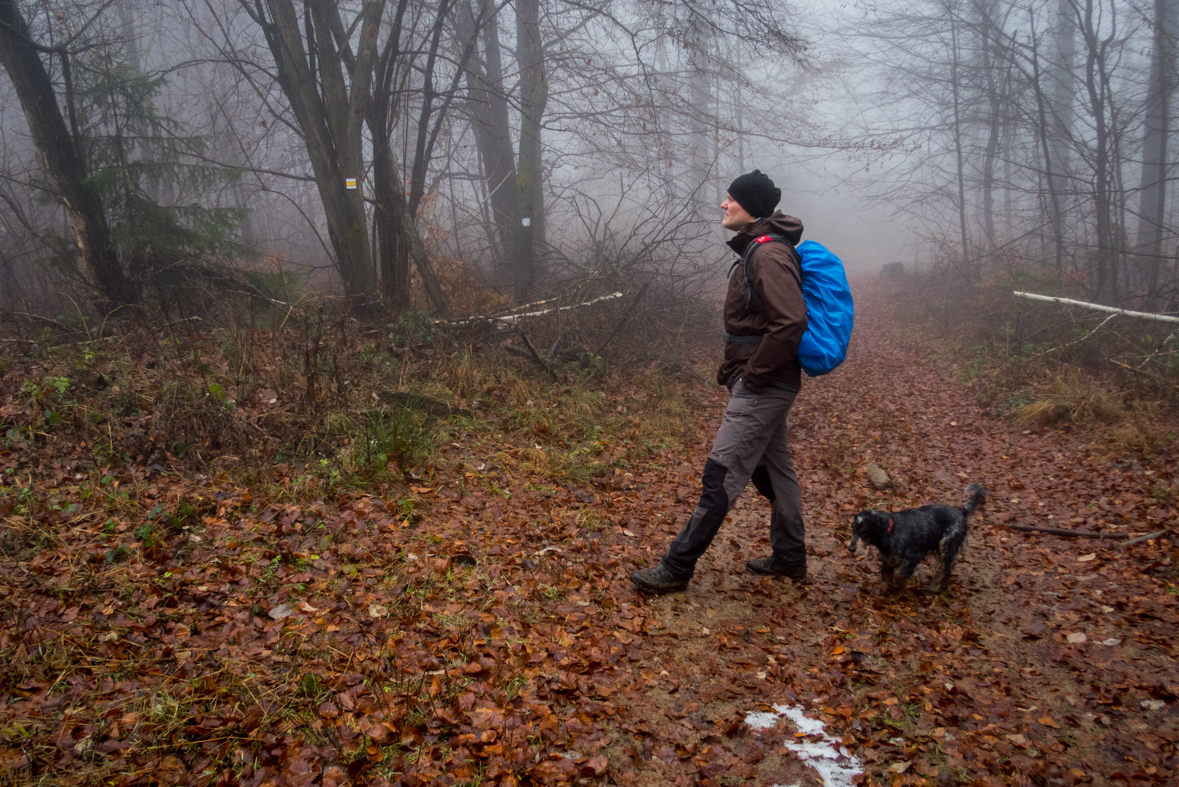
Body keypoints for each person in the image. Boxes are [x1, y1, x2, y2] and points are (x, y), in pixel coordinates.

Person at [630, 170, 808, 594]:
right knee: (775, 472)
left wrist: (753, 376)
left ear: (750, 206)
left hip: (764, 386)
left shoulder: (767, 255)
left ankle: (676, 567)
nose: (723, 205)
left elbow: (790, 322)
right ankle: (790, 557)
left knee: (721, 473)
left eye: (730, 199)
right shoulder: (763, 250)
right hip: (771, 383)